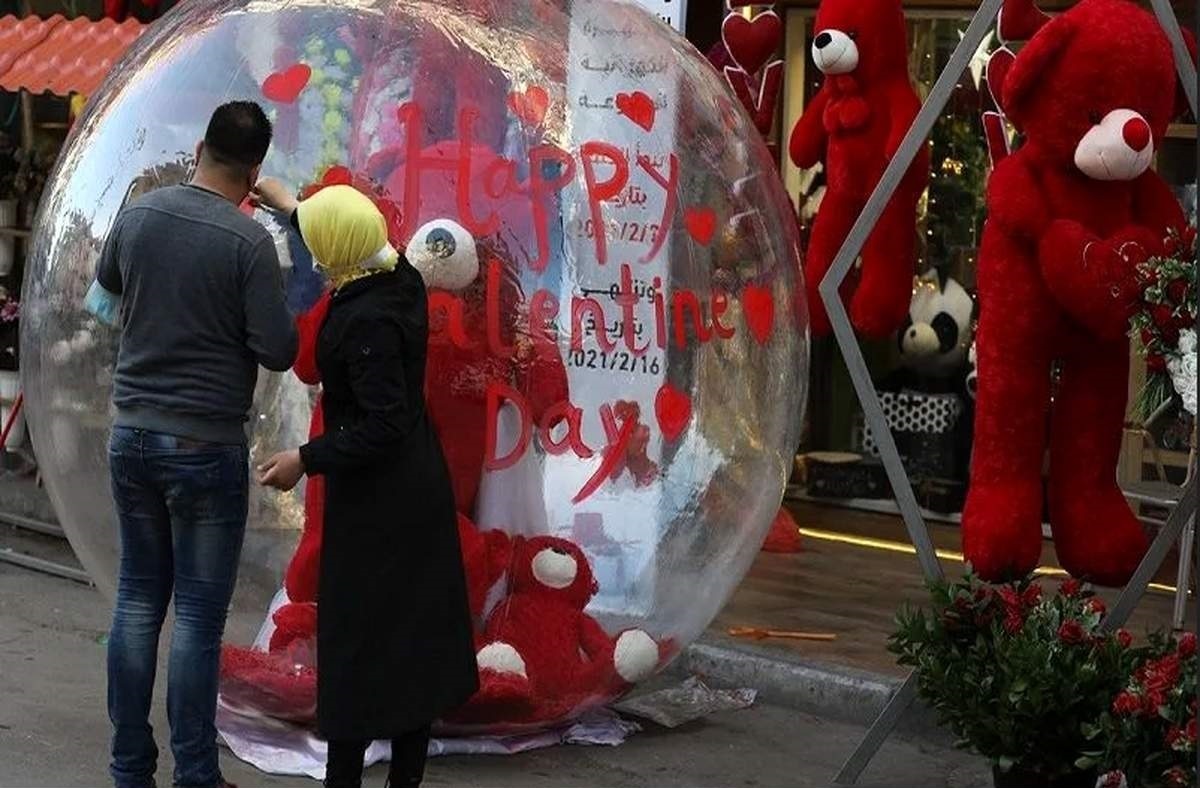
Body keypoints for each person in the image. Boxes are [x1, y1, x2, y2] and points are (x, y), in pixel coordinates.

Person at [91, 101, 298, 788]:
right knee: (198, 621)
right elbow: (279, 349)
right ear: (255, 172)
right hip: (204, 444)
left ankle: (129, 769)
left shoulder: (139, 215)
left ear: (201, 149)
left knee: (136, 602)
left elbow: (104, 297)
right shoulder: (249, 244)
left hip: (132, 434)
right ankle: (196, 775)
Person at [254, 181, 478, 788]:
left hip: (382, 505)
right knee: (411, 645)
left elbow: (384, 424)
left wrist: (306, 458)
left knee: (361, 648)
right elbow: (345, 231)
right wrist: (290, 206)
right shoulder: (399, 277)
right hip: (415, 489)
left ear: (339, 251)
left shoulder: (367, 319)